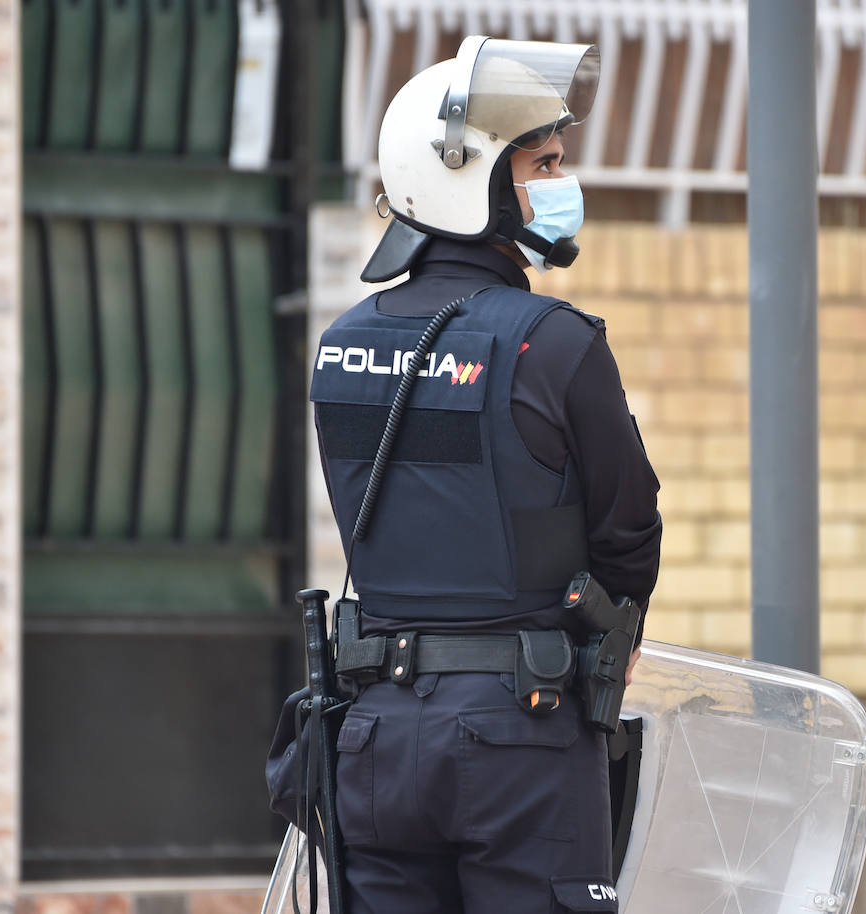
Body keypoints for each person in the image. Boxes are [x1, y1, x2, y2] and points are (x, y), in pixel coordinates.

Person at [306, 36, 661, 914]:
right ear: (473, 179)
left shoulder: (340, 343)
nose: (559, 182)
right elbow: (631, 534)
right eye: (541, 163)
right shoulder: (557, 344)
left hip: (373, 739)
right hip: (525, 738)